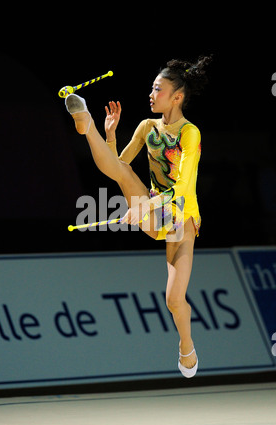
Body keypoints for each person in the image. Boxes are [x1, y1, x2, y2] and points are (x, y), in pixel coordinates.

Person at [64, 56, 212, 377]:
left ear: (177, 97)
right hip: (153, 208)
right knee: (122, 171)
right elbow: (117, 167)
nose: (151, 93)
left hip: (179, 219)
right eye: (152, 87)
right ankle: (86, 124)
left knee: (174, 300)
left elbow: (185, 186)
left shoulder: (190, 133)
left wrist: (149, 207)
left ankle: (186, 347)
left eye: (158, 89)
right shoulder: (147, 127)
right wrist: (110, 135)